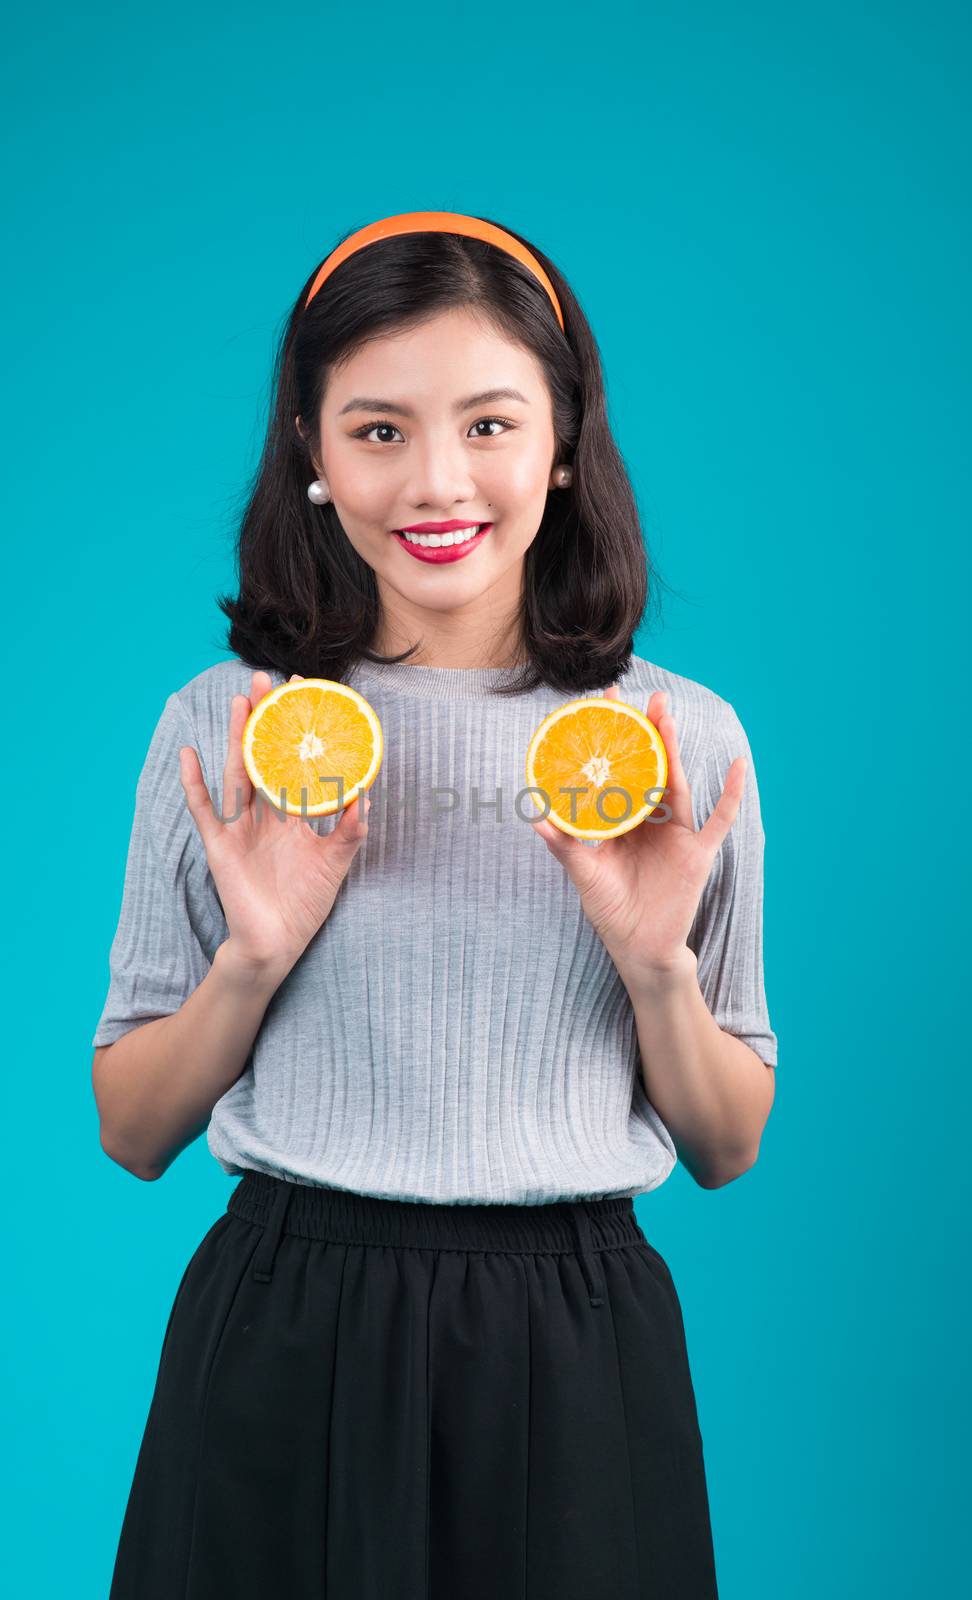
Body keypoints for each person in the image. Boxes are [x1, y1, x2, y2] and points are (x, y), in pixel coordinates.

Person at [92, 211, 778, 1599]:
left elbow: (725, 1145)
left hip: (576, 1338)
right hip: (290, 1321)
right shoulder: (225, 730)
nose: (438, 480)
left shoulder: (676, 746)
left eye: (489, 423)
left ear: (566, 443)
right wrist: (254, 957)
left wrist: (655, 971)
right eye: (380, 430)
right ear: (312, 453)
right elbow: (133, 1129)